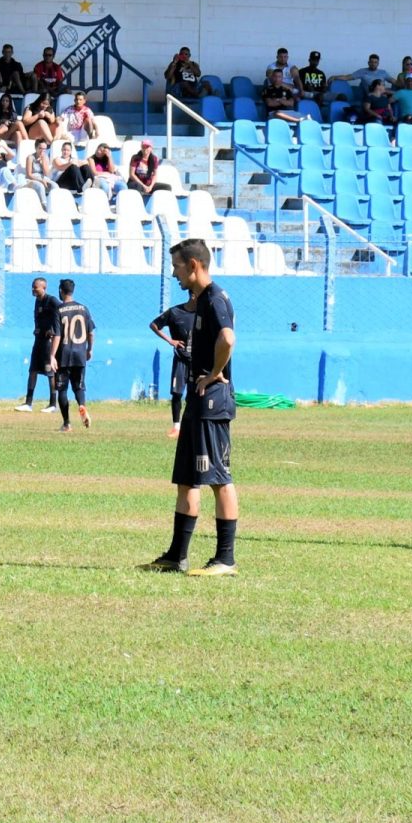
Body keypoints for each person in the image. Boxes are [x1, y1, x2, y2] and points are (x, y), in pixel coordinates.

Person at [140, 238, 240, 576]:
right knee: (187, 479)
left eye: (177, 267)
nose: (174, 274)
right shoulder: (199, 301)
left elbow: (227, 339)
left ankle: (225, 559)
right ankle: (176, 556)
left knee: (219, 479)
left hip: (212, 402)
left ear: (194, 265)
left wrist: (214, 374)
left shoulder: (215, 299)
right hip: (198, 402)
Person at [47, 279, 94, 433]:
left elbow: (58, 335)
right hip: (80, 353)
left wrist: (52, 355)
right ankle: (81, 405)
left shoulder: (59, 310)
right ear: (72, 291)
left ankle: (67, 423)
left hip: (64, 355)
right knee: (79, 386)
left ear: (61, 290)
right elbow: (91, 332)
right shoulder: (84, 308)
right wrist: (89, 349)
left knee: (62, 389)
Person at [150, 300, 195, 441]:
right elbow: (154, 325)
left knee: (195, 394)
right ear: (192, 295)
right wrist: (171, 340)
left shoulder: (204, 312)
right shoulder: (175, 312)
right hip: (181, 360)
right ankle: (176, 427)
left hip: (198, 361)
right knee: (177, 394)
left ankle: (193, 426)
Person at [17, 276, 60, 413]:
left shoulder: (52, 300)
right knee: (33, 370)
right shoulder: (37, 301)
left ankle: (53, 404)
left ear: (44, 288)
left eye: (36, 287)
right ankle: (28, 403)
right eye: (32, 286)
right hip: (38, 341)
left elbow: (62, 313)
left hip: (48, 343)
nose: (33, 289)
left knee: (50, 372)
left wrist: (54, 330)